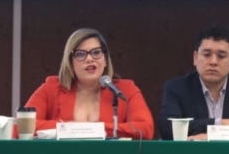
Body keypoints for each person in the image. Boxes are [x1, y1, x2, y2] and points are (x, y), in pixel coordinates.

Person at [22, 28, 154, 140]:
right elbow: (21, 127)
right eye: (80, 54)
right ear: (70, 63)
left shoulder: (125, 89)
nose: (90, 59)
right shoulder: (51, 88)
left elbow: (146, 129)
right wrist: (67, 127)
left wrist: (92, 129)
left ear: (105, 59)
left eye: (96, 52)